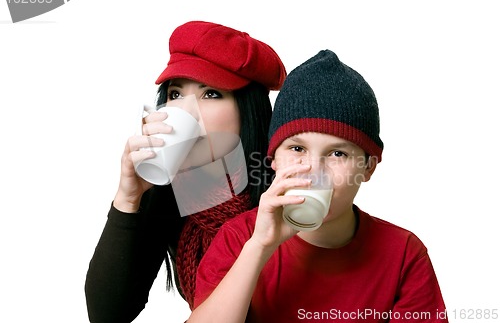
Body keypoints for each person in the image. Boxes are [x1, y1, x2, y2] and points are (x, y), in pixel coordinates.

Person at [188, 50, 448, 322]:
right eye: (297, 148)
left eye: (338, 154)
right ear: (273, 159)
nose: (313, 170)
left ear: (368, 167)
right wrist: (260, 246)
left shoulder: (404, 253)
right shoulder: (239, 239)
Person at [84, 20, 286, 322]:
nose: (186, 111)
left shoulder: (282, 193)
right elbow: (108, 314)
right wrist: (127, 199)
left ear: (249, 112)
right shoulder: (172, 193)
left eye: (211, 94)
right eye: (176, 94)